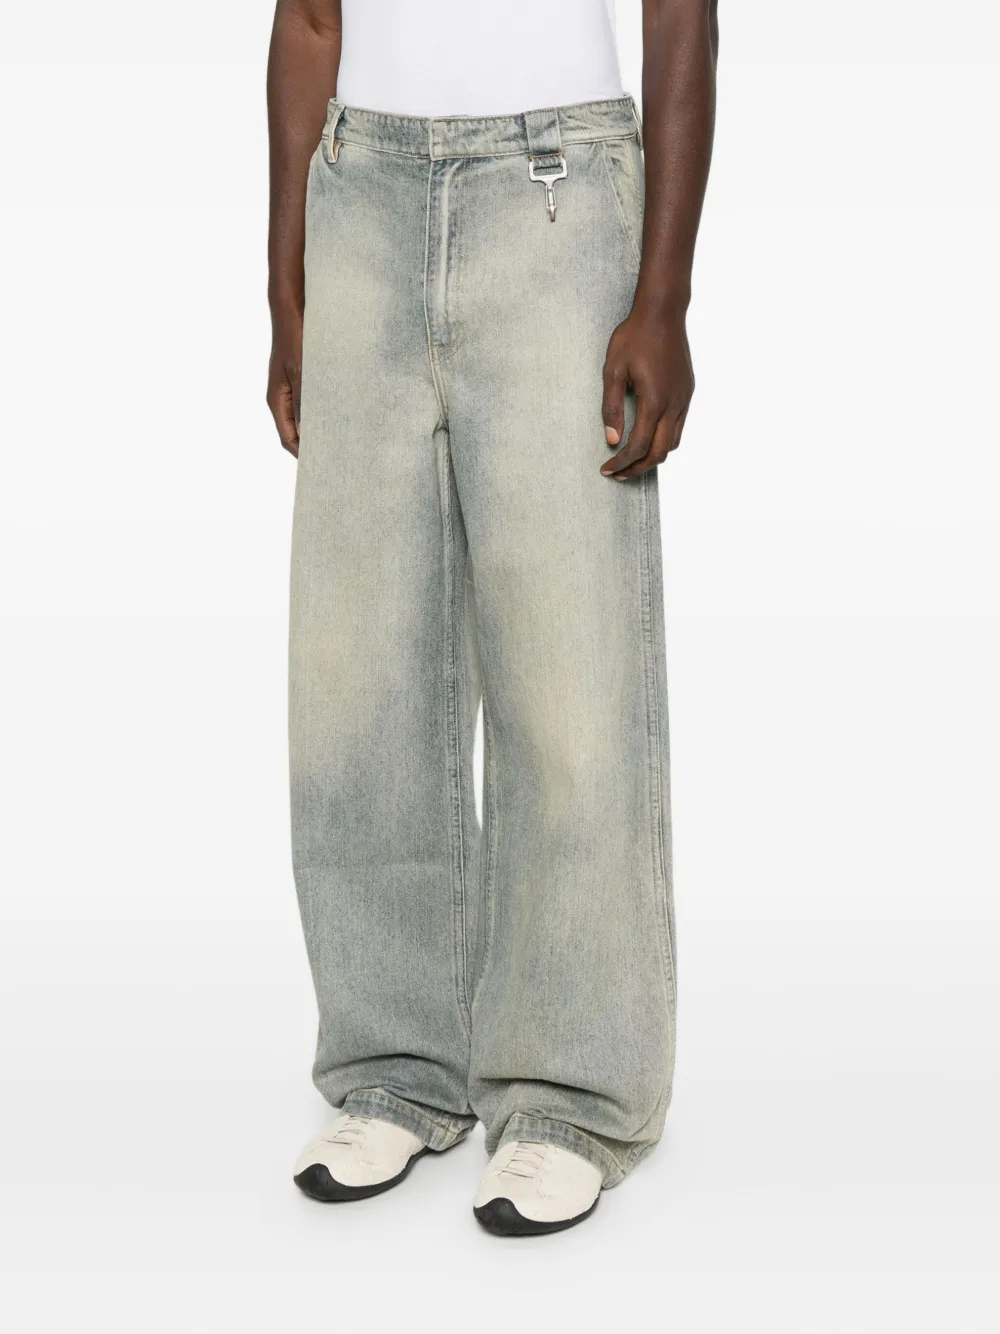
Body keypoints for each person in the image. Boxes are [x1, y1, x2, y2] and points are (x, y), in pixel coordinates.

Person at [266, 0, 718, 1236]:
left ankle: (571, 1096)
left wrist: (663, 295)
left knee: (569, 674)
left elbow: (682, 17)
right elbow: (309, 20)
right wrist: (286, 280)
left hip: (556, 196)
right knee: (357, 671)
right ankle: (394, 1065)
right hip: (359, 189)